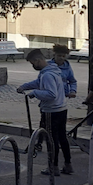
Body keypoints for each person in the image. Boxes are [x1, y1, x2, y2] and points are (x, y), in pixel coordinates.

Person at [17, 48, 72, 176]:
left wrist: (35, 93)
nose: (33, 66)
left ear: (38, 60)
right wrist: (25, 86)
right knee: (62, 137)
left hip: (51, 111)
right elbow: (38, 82)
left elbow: (51, 94)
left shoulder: (47, 74)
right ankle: (68, 164)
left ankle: (53, 167)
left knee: (51, 140)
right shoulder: (52, 70)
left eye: (33, 63)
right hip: (62, 108)